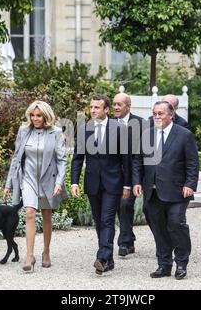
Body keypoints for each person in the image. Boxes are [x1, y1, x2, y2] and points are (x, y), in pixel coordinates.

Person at [133, 101, 199, 280]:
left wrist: (190, 184)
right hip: (152, 192)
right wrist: (137, 182)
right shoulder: (147, 135)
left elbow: (192, 163)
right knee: (159, 229)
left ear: (171, 115)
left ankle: (182, 263)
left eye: (160, 113)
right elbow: (138, 160)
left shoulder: (184, 135)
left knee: (176, 225)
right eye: (154, 113)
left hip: (177, 192)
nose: (156, 116)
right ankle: (164, 264)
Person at [3, 100, 67, 273]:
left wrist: (59, 182)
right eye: (32, 115)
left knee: (46, 214)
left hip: (48, 179)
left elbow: (61, 160)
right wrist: (8, 184)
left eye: (39, 115)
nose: (35, 118)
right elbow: (16, 158)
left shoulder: (57, 133)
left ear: (46, 116)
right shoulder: (23, 131)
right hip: (28, 178)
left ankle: (46, 251)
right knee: (29, 212)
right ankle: (29, 256)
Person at [71, 95, 131, 275]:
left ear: (106, 110)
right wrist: (74, 182)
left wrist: (127, 185)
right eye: (91, 107)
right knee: (99, 222)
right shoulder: (84, 129)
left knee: (107, 220)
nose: (93, 110)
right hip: (92, 183)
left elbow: (126, 160)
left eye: (97, 107)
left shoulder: (120, 129)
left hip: (113, 183)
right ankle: (108, 260)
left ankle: (102, 256)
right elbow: (77, 158)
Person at [112, 92, 143, 257]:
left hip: (132, 174)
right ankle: (129, 237)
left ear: (128, 107)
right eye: (114, 104)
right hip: (114, 175)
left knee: (125, 204)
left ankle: (124, 242)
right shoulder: (109, 124)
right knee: (118, 206)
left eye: (119, 104)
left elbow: (143, 152)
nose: (116, 107)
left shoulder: (140, 124)